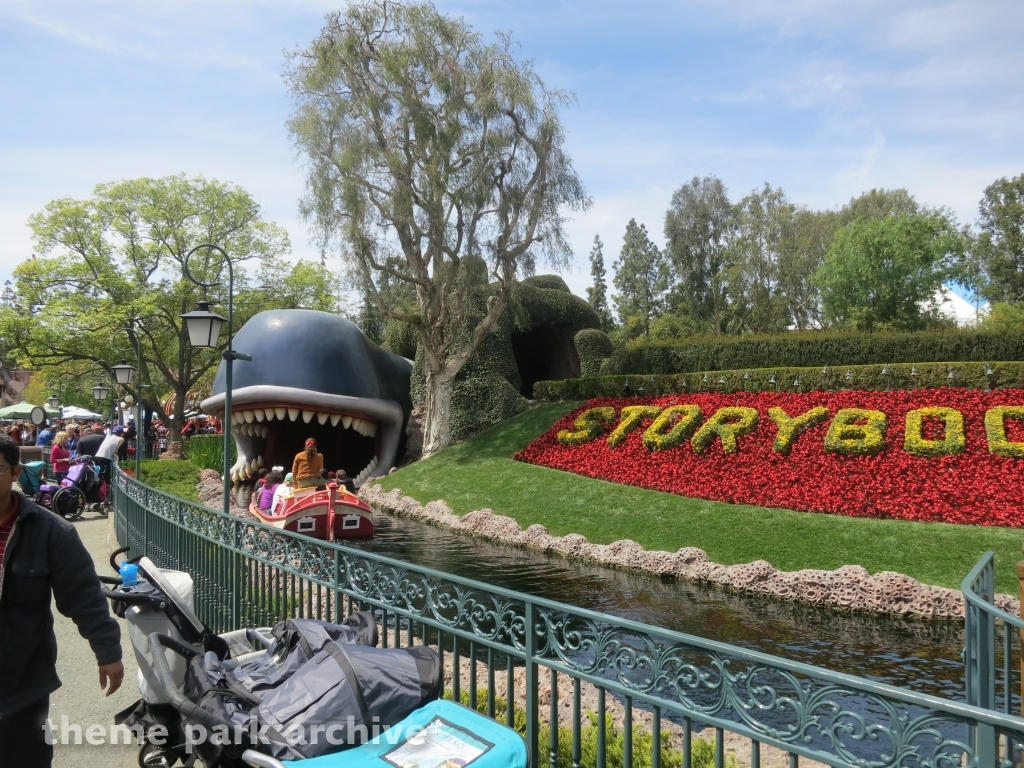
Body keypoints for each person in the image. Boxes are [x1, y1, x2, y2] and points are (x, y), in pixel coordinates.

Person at [0, 431, 124, 767]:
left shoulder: (51, 532)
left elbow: (83, 595)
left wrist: (108, 651)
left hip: (21, 678)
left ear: (15, 472)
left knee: (23, 757)